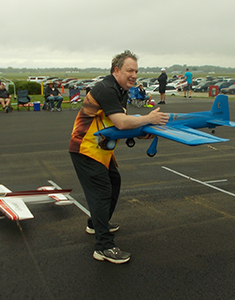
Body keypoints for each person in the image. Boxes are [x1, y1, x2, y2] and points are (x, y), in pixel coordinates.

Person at [69, 50, 168, 264]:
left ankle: (96, 223)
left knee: (114, 183)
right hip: (85, 148)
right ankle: (104, 247)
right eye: (129, 70)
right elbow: (122, 122)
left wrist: (143, 131)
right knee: (102, 192)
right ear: (116, 70)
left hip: (101, 149)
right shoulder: (106, 88)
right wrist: (148, 118)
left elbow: (119, 123)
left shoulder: (121, 90)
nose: (134, 75)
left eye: (136, 71)